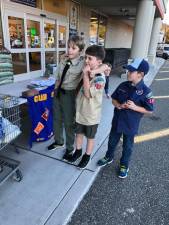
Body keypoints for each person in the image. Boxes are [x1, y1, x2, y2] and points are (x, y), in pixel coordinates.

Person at [48, 36, 107, 160]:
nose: (69, 50)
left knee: (69, 123)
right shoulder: (64, 59)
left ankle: (70, 148)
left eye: (73, 48)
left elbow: (106, 66)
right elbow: (58, 76)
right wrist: (55, 89)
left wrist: (100, 70)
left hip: (69, 94)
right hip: (58, 92)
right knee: (57, 119)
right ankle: (58, 141)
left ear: (80, 51)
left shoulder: (83, 62)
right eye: (68, 47)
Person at [97, 58, 154, 178]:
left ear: (141, 74)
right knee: (112, 141)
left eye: (131, 71)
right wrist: (118, 105)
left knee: (127, 147)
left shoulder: (146, 91)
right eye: (128, 70)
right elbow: (113, 99)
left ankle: (124, 165)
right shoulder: (123, 85)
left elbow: (149, 110)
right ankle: (109, 156)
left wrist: (134, 107)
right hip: (117, 121)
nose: (128, 73)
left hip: (130, 124)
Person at [68, 45, 106, 169]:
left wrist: (85, 75)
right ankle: (78, 151)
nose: (86, 61)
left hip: (91, 115)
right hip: (80, 112)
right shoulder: (88, 69)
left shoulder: (100, 78)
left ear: (99, 62)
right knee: (78, 134)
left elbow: (88, 94)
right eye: (86, 57)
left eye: (90, 58)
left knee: (90, 137)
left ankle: (87, 155)